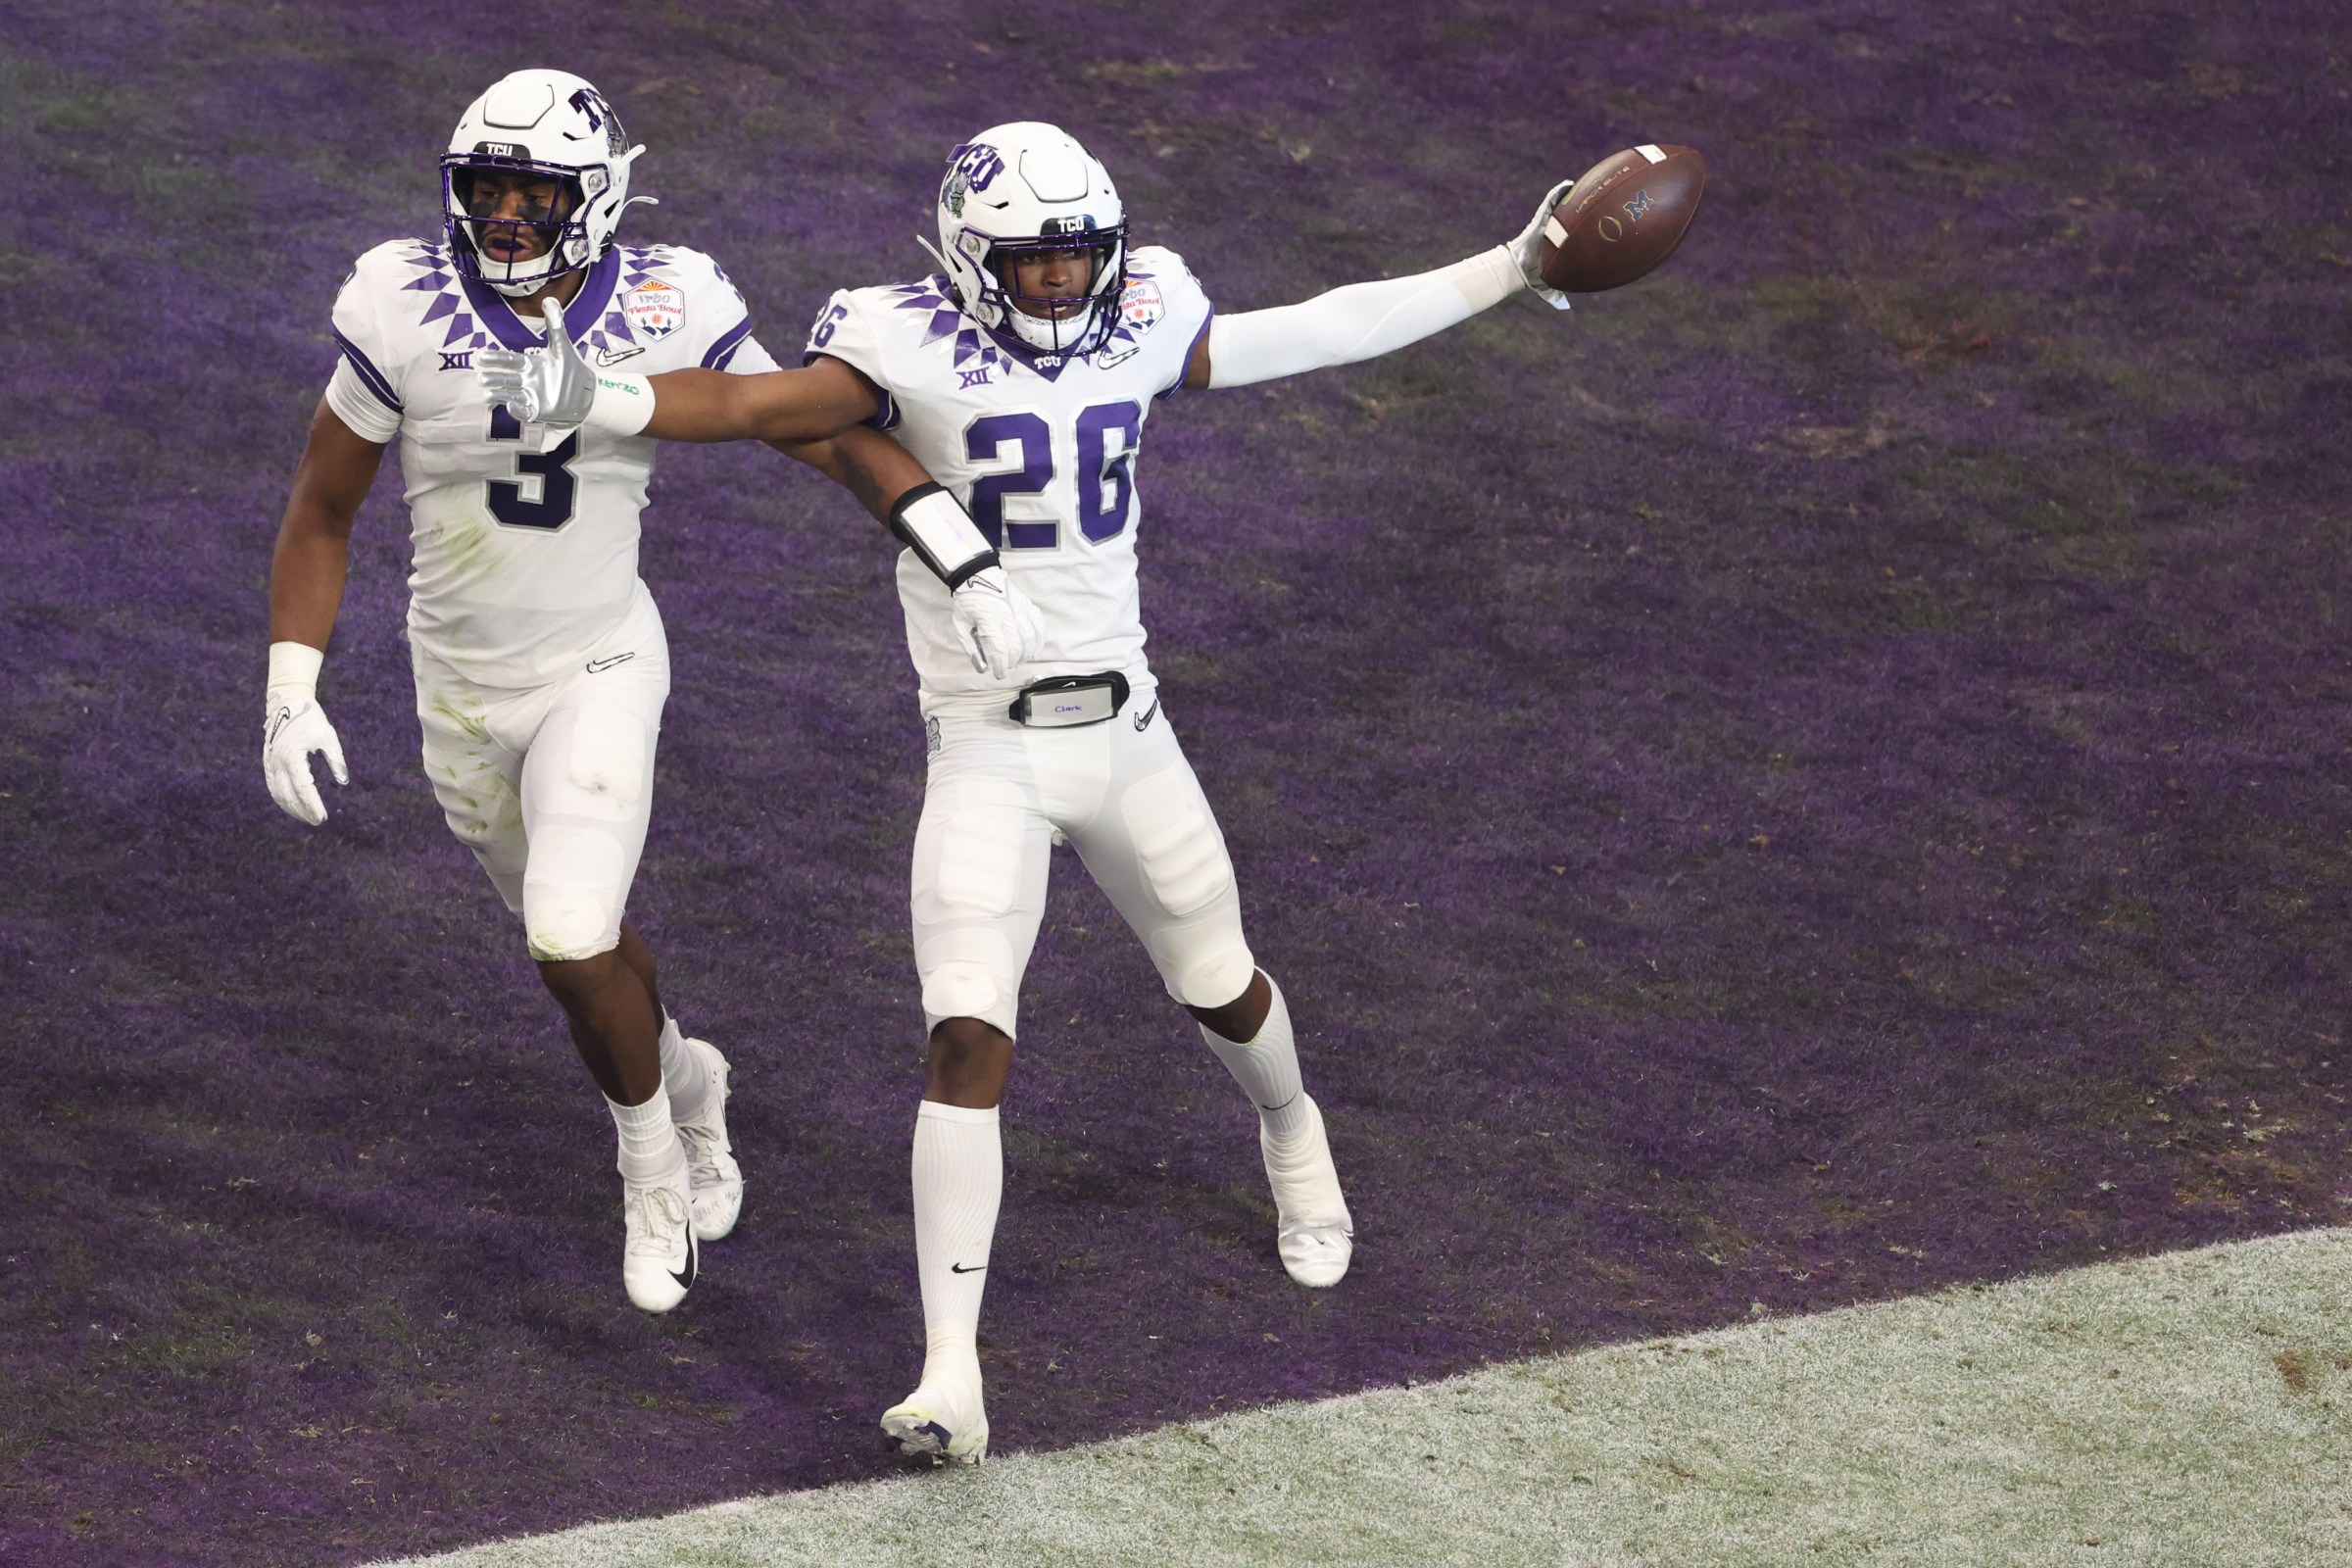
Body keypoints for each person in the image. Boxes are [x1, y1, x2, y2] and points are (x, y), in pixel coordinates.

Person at [478, 120, 1572, 1456]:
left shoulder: (1152, 308)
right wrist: (607, 396)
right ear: (963, 253)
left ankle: (1293, 1128)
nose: (1059, 283)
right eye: (1031, 261)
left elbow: (1325, 326)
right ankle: (951, 1373)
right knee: (964, 1036)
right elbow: (763, 407)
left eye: (1075, 258)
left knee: (1220, 984)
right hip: (984, 748)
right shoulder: (897, 336)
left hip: (1128, 735)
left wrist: (1510, 268)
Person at [264, 70, 1027, 1316]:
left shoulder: (672, 296)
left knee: (567, 927)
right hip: (455, 683)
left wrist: (955, 544)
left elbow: (810, 424)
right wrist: (291, 685)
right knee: (588, 948)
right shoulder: (398, 297)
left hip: (599, 660)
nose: (507, 216)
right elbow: (324, 505)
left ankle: (651, 1165)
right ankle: (691, 1079)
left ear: (601, 197)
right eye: (488, 189)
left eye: (535, 191)